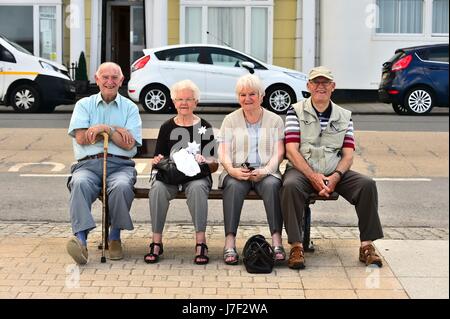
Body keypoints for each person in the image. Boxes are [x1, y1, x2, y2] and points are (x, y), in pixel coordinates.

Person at [280, 66, 383, 269]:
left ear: (333, 87)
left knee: (367, 185)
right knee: (289, 186)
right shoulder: (295, 110)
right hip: (302, 171)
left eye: (325, 82)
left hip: (335, 171)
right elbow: (291, 150)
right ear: (309, 86)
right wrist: (313, 176)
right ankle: (296, 246)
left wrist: (335, 176)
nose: (320, 86)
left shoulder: (344, 115)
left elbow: (348, 155)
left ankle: (367, 246)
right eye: (316, 82)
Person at [67, 62, 142, 264]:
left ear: (121, 80)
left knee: (122, 186)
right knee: (79, 183)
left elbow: (129, 145)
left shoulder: (130, 108)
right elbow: (82, 138)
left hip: (120, 166)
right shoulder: (84, 105)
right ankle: (81, 242)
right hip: (88, 166)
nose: (110, 82)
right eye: (105, 77)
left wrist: (105, 129)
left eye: (114, 77)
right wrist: (116, 129)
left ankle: (115, 236)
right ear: (97, 79)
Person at [145, 79, 217, 265]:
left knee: (197, 189)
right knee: (158, 190)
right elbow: (158, 158)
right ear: (174, 102)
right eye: (180, 99)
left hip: (197, 176)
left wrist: (206, 161)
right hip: (170, 176)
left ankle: (201, 243)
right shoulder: (166, 127)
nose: (184, 103)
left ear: (196, 102)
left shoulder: (205, 127)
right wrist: (156, 161)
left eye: (189, 99)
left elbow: (214, 164)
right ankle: (156, 241)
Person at [218, 74, 286, 265]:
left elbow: (279, 153)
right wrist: (232, 170)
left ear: (262, 96)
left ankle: (276, 240)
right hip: (237, 172)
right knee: (232, 187)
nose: (247, 99)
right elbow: (223, 152)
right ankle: (229, 242)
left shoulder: (275, 121)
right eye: (242, 94)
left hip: (266, 172)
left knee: (273, 185)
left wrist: (265, 171)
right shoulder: (230, 120)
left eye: (252, 94)